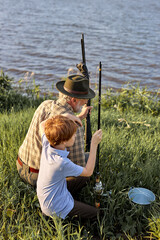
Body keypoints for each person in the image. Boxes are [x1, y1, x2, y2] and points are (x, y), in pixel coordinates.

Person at [17, 73, 95, 186]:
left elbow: (55, 123)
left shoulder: (44, 104)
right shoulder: (74, 128)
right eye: (84, 99)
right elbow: (79, 166)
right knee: (90, 161)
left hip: (21, 165)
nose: (86, 102)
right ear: (73, 100)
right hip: (40, 179)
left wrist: (79, 117)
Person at [37, 115, 102, 220]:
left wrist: (65, 118)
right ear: (63, 141)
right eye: (73, 134)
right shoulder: (61, 163)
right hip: (54, 207)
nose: (75, 136)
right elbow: (88, 171)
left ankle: (73, 198)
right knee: (97, 214)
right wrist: (94, 145)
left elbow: (42, 124)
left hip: (50, 194)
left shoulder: (47, 144)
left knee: (84, 178)